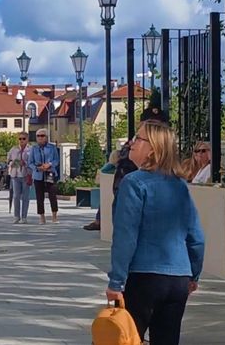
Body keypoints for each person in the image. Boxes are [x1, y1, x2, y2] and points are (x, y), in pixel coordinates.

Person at [106, 120, 205, 345]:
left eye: (138, 138)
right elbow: (196, 237)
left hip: (145, 277)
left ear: (153, 147)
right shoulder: (179, 185)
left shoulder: (133, 183)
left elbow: (125, 237)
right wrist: (193, 275)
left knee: (127, 339)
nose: (131, 142)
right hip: (177, 279)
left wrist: (116, 282)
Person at [83, 149, 120, 231]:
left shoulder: (117, 167)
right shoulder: (111, 166)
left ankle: (98, 221)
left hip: (111, 188)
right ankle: (98, 221)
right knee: (104, 203)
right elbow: (102, 172)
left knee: (104, 203)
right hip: (109, 187)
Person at [28, 128, 60, 224]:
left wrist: (49, 164)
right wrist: (37, 168)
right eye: (38, 136)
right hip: (38, 175)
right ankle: (42, 217)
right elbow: (30, 163)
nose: (40, 138)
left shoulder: (52, 147)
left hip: (50, 173)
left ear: (46, 137)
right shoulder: (34, 148)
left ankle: (54, 216)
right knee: (39, 197)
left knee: (52, 195)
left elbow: (56, 160)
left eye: (42, 136)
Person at [7, 131, 31, 224]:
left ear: (27, 139)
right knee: (16, 196)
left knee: (25, 197)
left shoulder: (30, 150)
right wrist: (13, 163)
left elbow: (32, 162)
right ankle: (16, 216)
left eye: (23, 139)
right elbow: (8, 160)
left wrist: (25, 163)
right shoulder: (14, 149)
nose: (21, 140)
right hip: (15, 175)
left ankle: (24, 217)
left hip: (26, 175)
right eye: (20, 139)